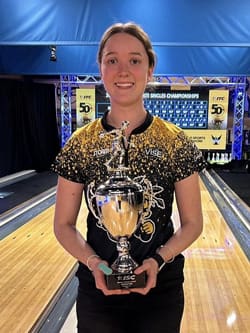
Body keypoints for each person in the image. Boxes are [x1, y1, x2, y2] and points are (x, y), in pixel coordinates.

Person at [51, 22, 207, 333]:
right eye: (112, 60)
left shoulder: (175, 141)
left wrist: (158, 260)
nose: (124, 71)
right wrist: (95, 264)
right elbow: (63, 225)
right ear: (100, 68)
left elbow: (193, 223)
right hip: (97, 288)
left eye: (135, 60)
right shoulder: (80, 144)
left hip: (161, 288)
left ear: (150, 69)